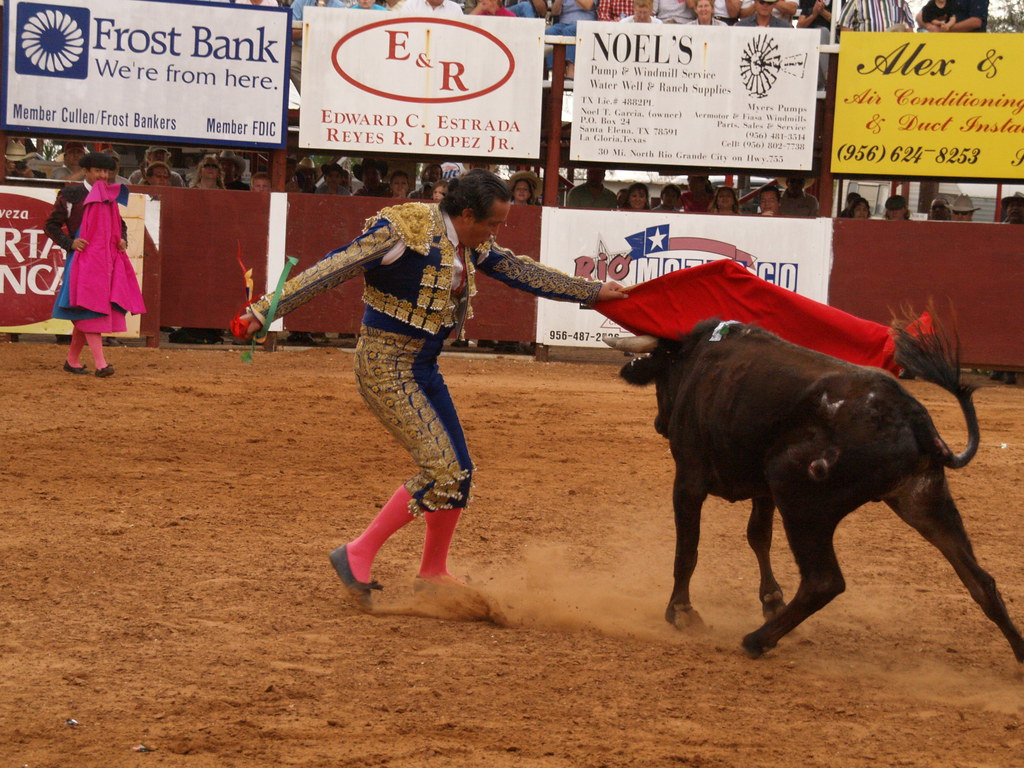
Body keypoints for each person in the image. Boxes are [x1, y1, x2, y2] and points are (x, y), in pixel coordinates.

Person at [233, 170, 627, 609]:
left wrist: (591, 291)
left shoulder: (469, 240)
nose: (495, 233)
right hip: (384, 367)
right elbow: (333, 267)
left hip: (423, 365)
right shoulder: (404, 232)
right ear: (465, 213)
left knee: (459, 472)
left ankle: (433, 572)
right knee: (442, 470)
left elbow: (518, 270)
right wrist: (264, 311)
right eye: (492, 224)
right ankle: (357, 552)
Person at [47, 152, 145, 377]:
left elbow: (120, 225)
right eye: (98, 171)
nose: (103, 175)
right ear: (86, 171)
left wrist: (122, 240)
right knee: (92, 310)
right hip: (83, 260)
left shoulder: (110, 196)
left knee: (88, 310)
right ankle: (101, 364)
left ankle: (72, 360)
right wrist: (69, 243)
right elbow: (51, 225)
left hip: (106, 261)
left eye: (107, 172)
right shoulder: (71, 195)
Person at [289, 0, 347, 93]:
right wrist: (313, 23)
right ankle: (309, 95)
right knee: (290, 64)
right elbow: (291, 32)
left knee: (336, 67)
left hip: (328, 50)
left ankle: (325, 98)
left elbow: (339, 35)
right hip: (301, 47)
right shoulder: (300, 3)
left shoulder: (339, 6)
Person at [546, 0, 598, 80]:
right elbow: (554, 12)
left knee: (569, 31)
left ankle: (571, 73)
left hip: (585, 22)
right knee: (548, 32)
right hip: (563, 23)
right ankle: (554, 72)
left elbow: (588, 6)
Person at [837, 0, 915, 31]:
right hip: (865, 52)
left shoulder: (901, 3)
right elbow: (844, 26)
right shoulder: (856, 1)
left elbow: (909, 30)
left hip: (895, 53)